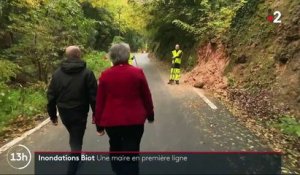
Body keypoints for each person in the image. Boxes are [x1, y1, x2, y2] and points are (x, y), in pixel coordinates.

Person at [94, 43, 154, 175]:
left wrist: (98, 124)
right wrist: (150, 114)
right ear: (128, 56)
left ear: (112, 57)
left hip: (112, 122)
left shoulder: (105, 75)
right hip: (135, 121)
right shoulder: (137, 73)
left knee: (115, 146)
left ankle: (117, 170)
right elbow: (146, 96)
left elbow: (100, 101)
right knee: (132, 149)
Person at [47, 46, 97, 174]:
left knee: (74, 136)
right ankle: (72, 168)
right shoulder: (87, 73)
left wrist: (53, 116)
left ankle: (77, 157)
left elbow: (51, 96)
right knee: (76, 142)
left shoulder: (57, 74)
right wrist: (97, 116)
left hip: (64, 113)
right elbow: (94, 98)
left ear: (67, 56)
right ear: (79, 55)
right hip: (79, 113)